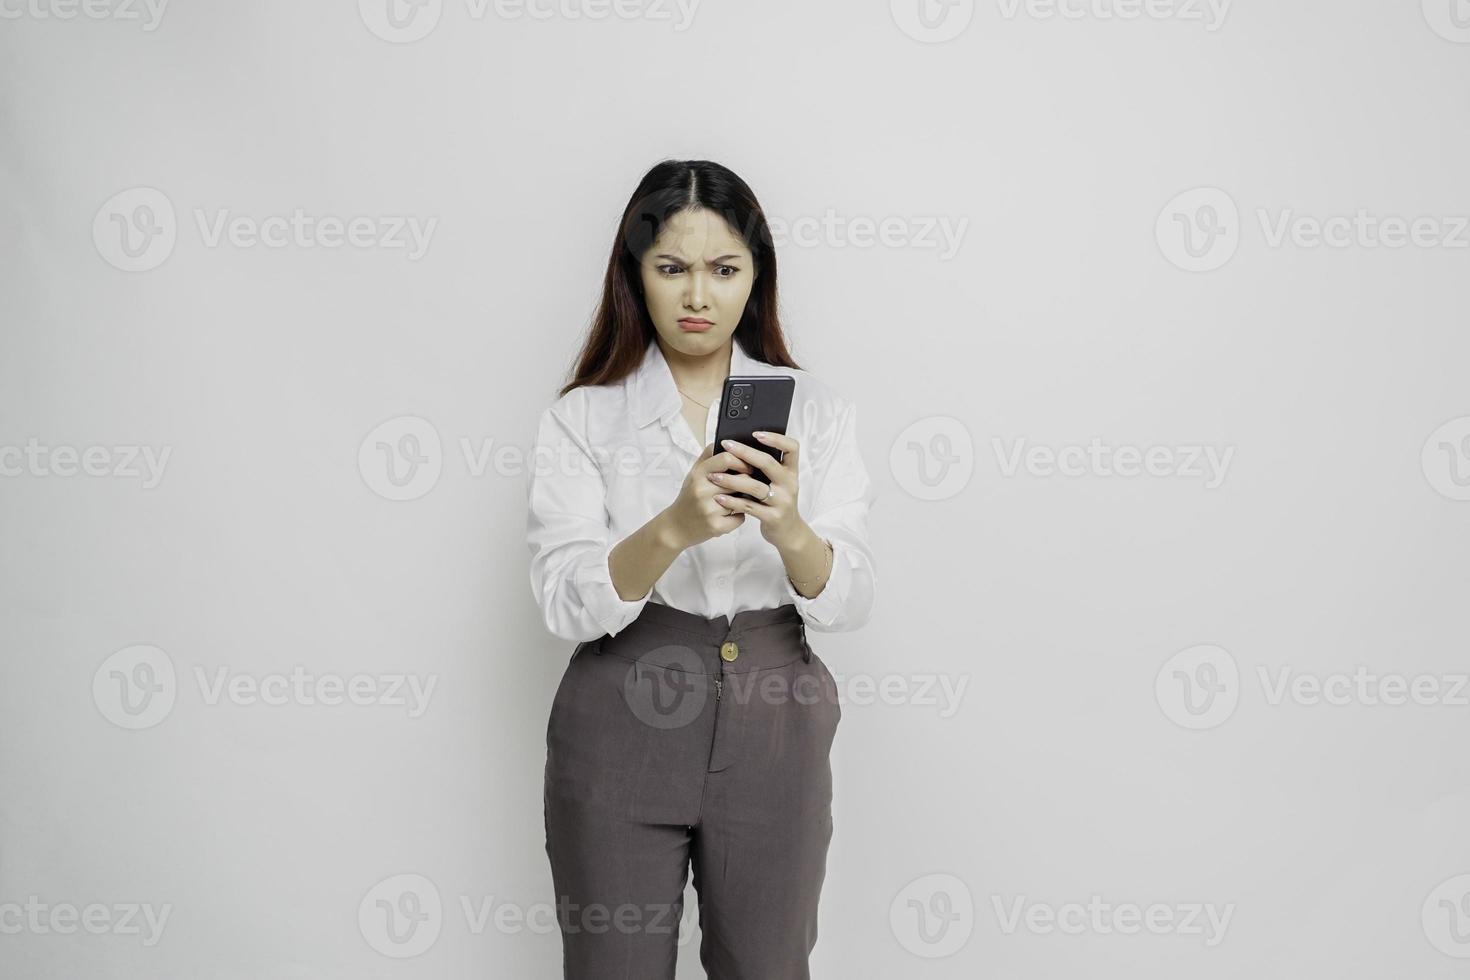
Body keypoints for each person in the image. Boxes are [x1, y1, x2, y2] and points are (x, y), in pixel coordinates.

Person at [525, 159, 877, 979]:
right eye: (671, 268)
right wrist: (674, 527)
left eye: (724, 270)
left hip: (775, 721)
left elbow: (852, 597)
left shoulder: (813, 410)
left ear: (756, 278)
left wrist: (788, 526)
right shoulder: (585, 416)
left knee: (767, 966)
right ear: (635, 275)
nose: (697, 296)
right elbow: (562, 602)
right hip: (620, 716)